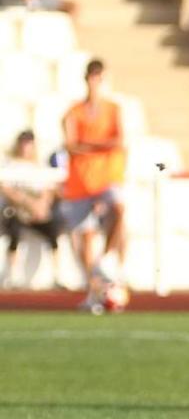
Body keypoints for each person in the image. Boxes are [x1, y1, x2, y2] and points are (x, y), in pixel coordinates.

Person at [60, 60, 128, 314]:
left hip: (105, 177)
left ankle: (108, 260)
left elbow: (118, 140)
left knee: (119, 209)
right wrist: (98, 145)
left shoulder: (113, 109)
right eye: (91, 77)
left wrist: (86, 145)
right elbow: (69, 144)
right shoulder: (74, 111)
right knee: (85, 239)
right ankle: (94, 291)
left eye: (99, 77)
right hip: (80, 181)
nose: (94, 82)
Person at [0, 130, 65, 289]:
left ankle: (57, 276)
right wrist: (27, 203)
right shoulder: (10, 165)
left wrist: (41, 206)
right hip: (15, 211)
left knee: (53, 229)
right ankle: (11, 276)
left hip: (36, 213)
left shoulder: (39, 166)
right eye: (23, 143)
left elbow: (48, 190)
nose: (25, 147)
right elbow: (6, 189)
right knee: (14, 229)